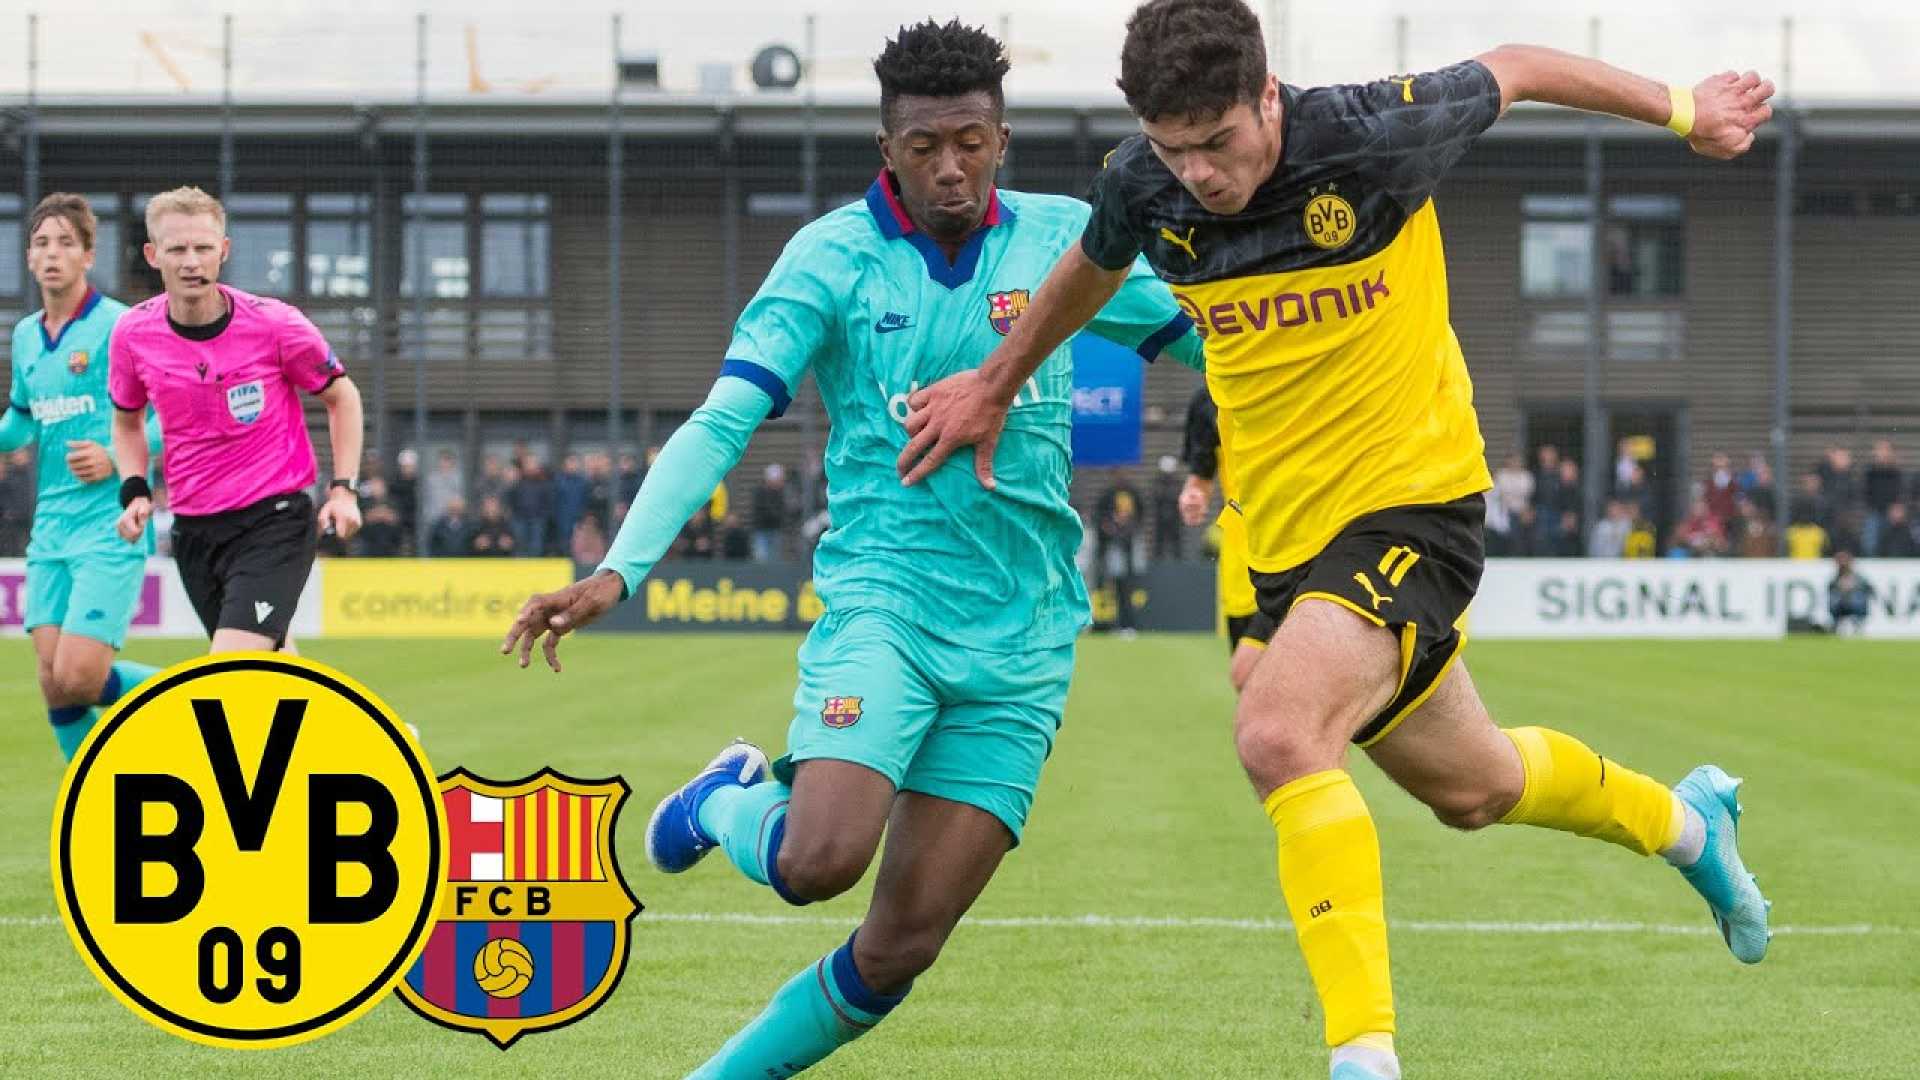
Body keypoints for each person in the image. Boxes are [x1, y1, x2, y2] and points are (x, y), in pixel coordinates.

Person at [898, 4, 1774, 1076]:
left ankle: (1363, 1056)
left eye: (1220, 142)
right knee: (1477, 789)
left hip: (1416, 501)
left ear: (1268, 96)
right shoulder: (1146, 180)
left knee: (1274, 729)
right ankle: (1689, 827)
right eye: (1178, 150)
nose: (1202, 174)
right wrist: (996, 382)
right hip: (1288, 541)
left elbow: (1523, 63)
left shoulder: (1374, 135)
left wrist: (1687, 111)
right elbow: (1091, 262)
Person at [500, 20, 1204, 1078]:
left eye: (971, 140)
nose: (951, 165)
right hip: (887, 603)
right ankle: (728, 798)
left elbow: (1219, 337)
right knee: (818, 860)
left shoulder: (1075, 243)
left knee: (897, 950)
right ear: (889, 149)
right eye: (925, 146)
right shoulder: (830, 259)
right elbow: (724, 420)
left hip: (1026, 637)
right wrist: (620, 565)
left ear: (1002, 139)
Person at [110, 186, 364, 652]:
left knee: (232, 662)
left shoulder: (275, 324)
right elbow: (127, 422)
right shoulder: (131, 334)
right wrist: (135, 490)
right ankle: (347, 728)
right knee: (272, 666)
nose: (191, 261)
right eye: (177, 249)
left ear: (222, 252)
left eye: (203, 248)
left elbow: (342, 397)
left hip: (274, 518)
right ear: (152, 255)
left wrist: (344, 490)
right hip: (193, 528)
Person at [5, 193, 167, 759]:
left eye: (66, 243)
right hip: (51, 528)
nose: (53, 254)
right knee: (53, 678)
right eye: (42, 243)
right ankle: (85, 789)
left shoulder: (122, 325)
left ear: (87, 256)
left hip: (110, 522)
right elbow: (21, 420)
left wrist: (113, 454)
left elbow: (172, 413)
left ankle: (195, 698)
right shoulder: (26, 335)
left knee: (77, 675)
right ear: (28, 258)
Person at [1180, 384, 1275, 690]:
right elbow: (1201, 475)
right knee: (1247, 679)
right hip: (1242, 554)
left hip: (1299, 543)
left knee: (1252, 669)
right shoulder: (1208, 398)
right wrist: (1193, 495)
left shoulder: (1296, 374)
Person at [1828, 550, 1873, 635]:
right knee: (1834, 602)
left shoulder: (1859, 578)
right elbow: (1830, 590)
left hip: (1856, 604)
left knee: (1857, 599)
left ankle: (1856, 625)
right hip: (1840, 605)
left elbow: (1869, 589)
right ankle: (1836, 626)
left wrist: (1853, 588)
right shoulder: (1835, 579)